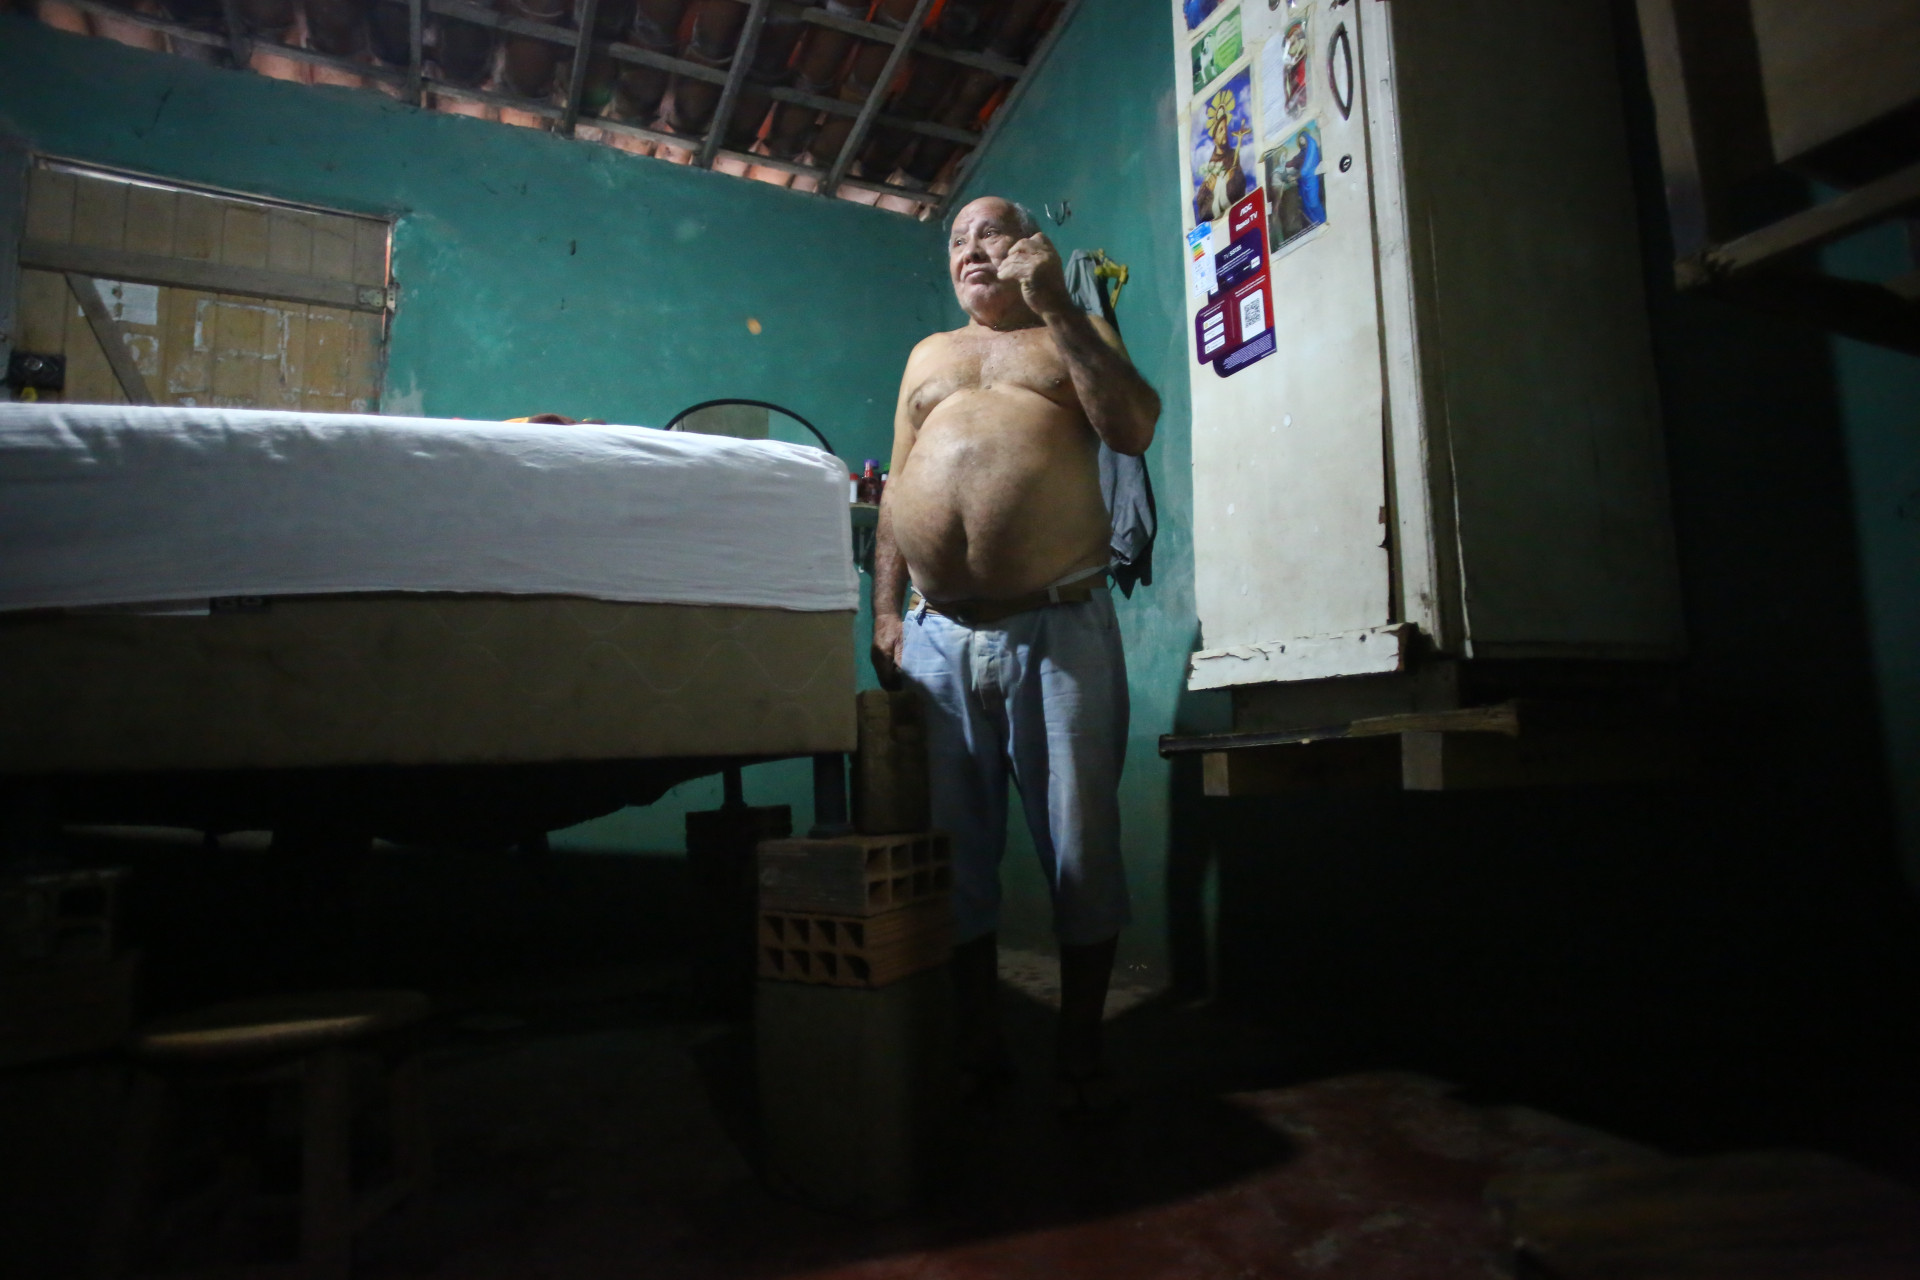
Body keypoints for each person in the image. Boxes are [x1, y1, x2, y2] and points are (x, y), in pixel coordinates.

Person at [870, 197, 1160, 1114]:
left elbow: (1132, 428)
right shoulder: (926, 356)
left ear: (1034, 244)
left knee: (1080, 846)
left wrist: (1063, 310)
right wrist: (883, 612)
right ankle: (981, 1038)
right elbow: (894, 492)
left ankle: (1079, 1043)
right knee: (955, 853)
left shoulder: (1068, 329)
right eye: (956, 240)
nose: (970, 249)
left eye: (988, 231)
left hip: (1057, 624)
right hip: (936, 632)